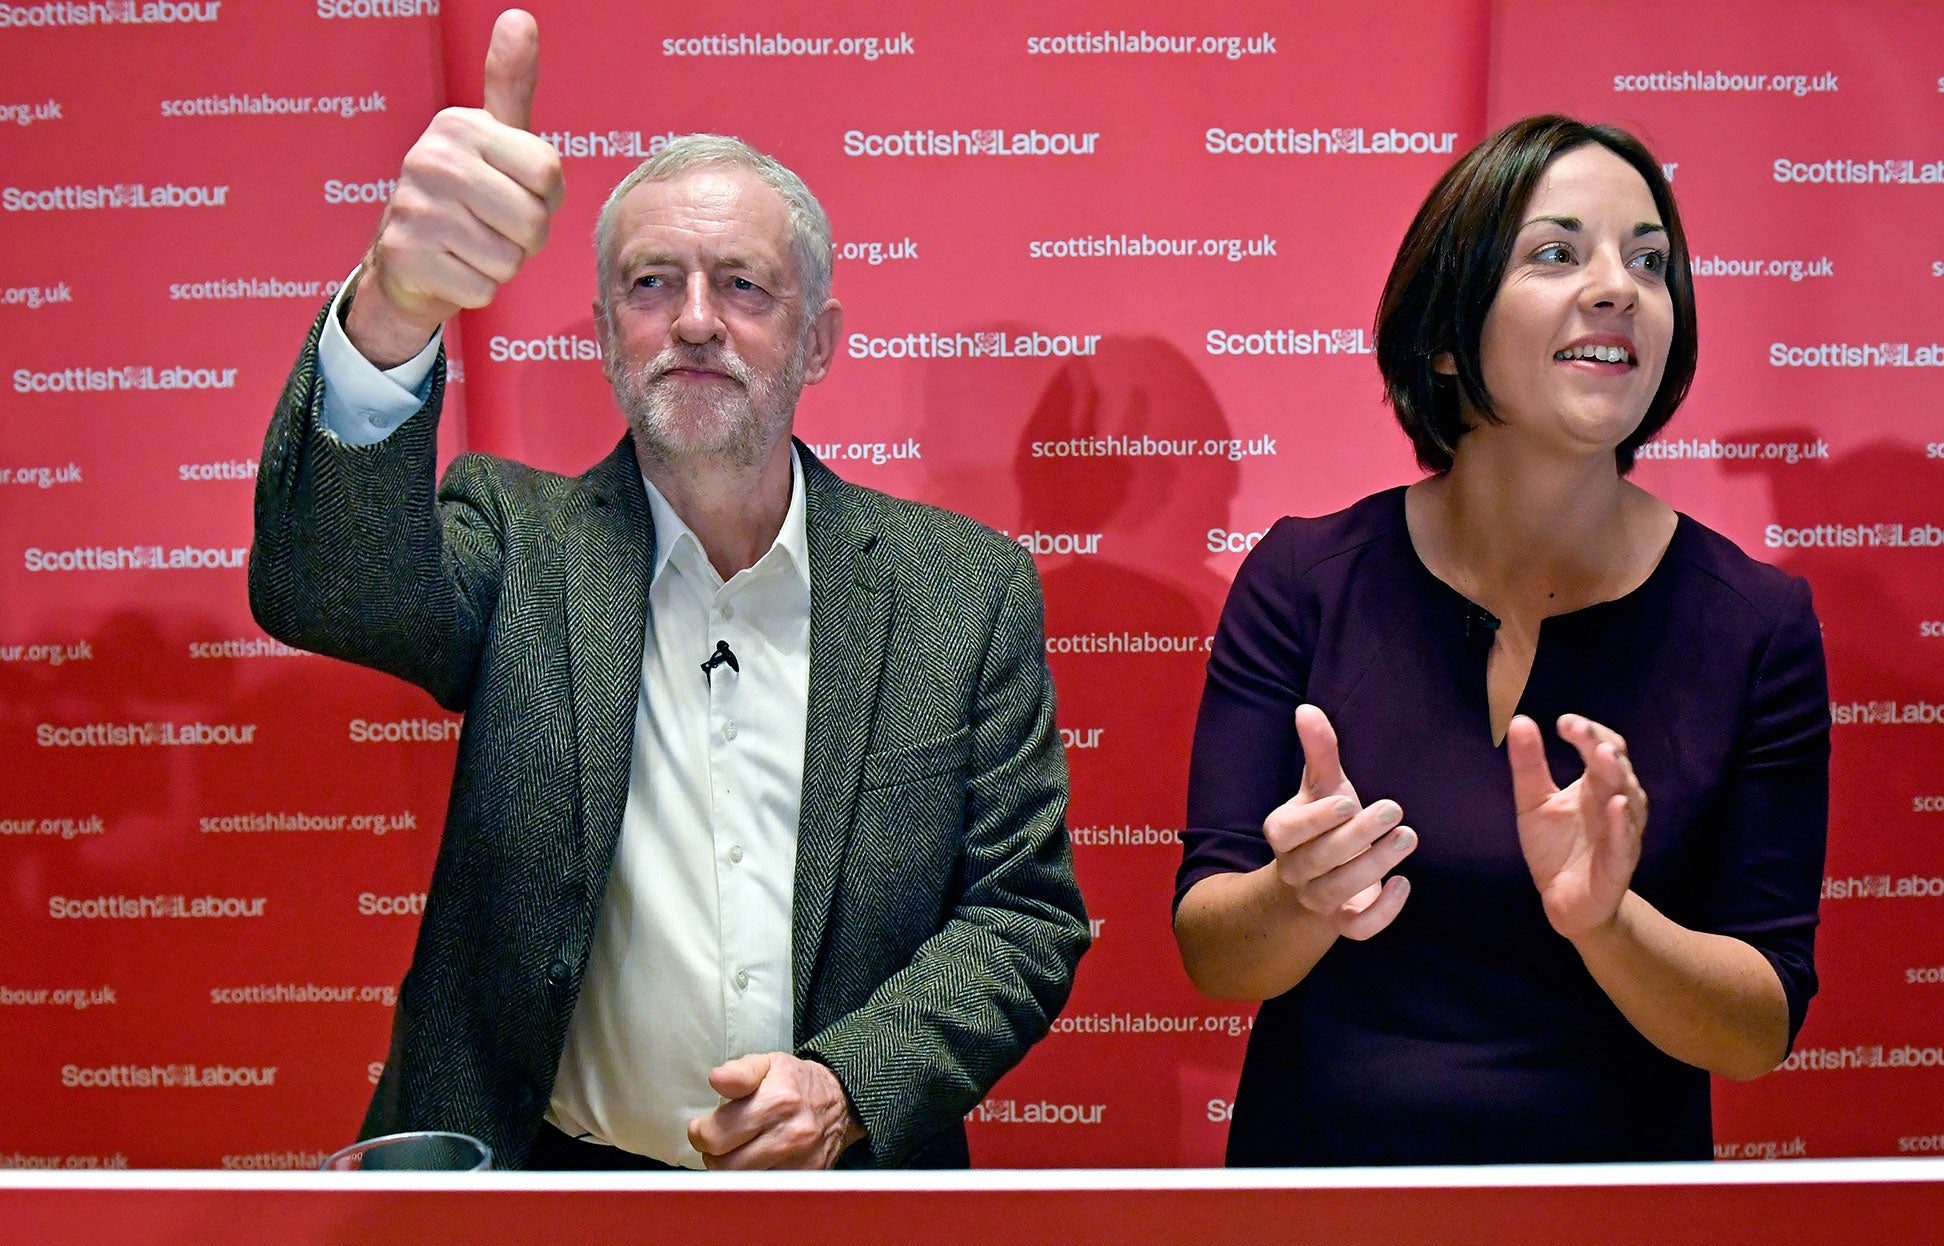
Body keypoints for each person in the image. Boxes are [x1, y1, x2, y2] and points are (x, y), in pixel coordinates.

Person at [251, 11, 1088, 1170]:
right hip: (542, 1200)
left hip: (848, 1209)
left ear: (820, 339)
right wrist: (394, 310)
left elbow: (1021, 914)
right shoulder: (516, 539)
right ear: (603, 333)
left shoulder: (962, 588)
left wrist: (849, 1084)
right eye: (652, 284)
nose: (694, 319)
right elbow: (324, 587)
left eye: (743, 284)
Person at [1173, 115, 1828, 1165]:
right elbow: (1214, 950)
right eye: (1556, 252)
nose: (1617, 285)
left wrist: (1607, 921)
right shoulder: (1303, 578)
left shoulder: (1755, 621)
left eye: (1648, 261)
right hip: (1327, 1230)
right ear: (1445, 330)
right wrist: (1299, 894)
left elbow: (1754, 1031)